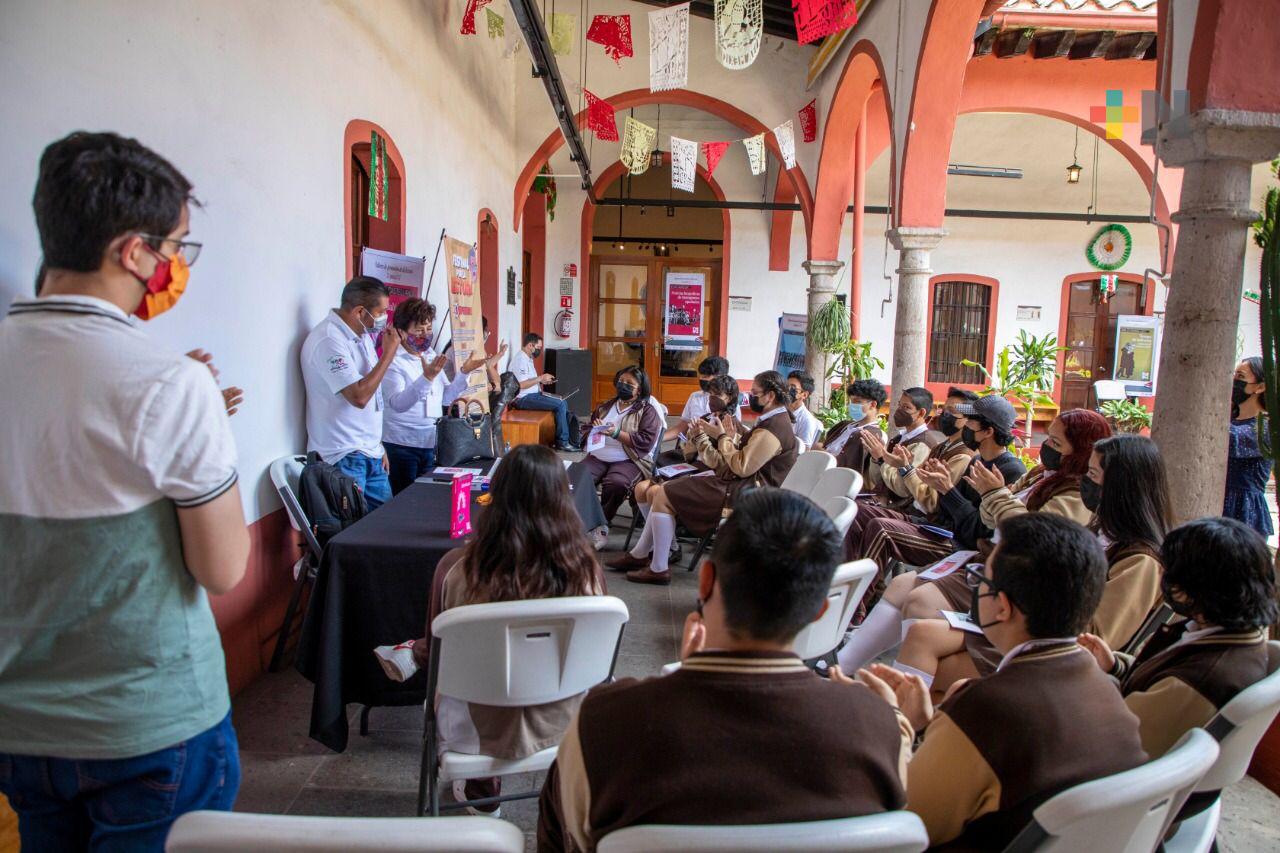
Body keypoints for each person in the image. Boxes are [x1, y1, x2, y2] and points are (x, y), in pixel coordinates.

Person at [0, 131, 250, 848]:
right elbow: (224, 567)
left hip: (20, 722)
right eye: (177, 247)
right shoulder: (170, 381)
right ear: (134, 252)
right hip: (147, 720)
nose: (176, 266)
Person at [538, 488, 912, 851]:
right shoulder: (876, 728)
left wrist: (680, 681)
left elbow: (568, 835)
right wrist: (900, 721)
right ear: (819, 610)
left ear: (705, 581)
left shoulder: (606, 721)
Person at [841, 513, 1147, 851]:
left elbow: (906, 818)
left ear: (1001, 606)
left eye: (980, 581)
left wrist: (899, 725)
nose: (975, 589)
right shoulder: (1107, 687)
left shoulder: (988, 707)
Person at [375, 445, 603, 816]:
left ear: (494, 497)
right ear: (563, 498)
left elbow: (438, 654)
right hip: (566, 713)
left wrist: (418, 652)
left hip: (477, 723)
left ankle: (484, 789)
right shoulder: (587, 570)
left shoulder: (456, 567)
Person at [891, 432, 1170, 695]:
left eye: (1093, 474)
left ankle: (914, 723)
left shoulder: (1140, 560)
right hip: (1028, 621)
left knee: (934, 662)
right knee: (920, 633)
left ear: (1121, 488)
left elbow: (1099, 636)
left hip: (1048, 646)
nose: (1085, 480)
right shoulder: (1102, 530)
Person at [1081, 516, 1277, 762]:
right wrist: (1116, 667)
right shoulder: (1226, 632)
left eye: (1171, 572)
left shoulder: (1199, 680)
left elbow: (1117, 738)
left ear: (1195, 588)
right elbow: (1157, 681)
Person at [609, 371, 800, 585]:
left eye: (754, 393)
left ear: (770, 396)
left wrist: (721, 437)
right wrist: (703, 437)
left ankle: (658, 567)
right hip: (734, 481)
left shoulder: (774, 428)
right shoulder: (771, 422)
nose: (751, 397)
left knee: (663, 493)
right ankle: (643, 556)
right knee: (659, 490)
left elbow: (741, 466)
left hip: (743, 492)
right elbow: (727, 460)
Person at [855, 395, 1026, 581]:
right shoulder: (977, 460)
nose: (965, 425)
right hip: (938, 527)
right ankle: (844, 578)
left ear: (988, 432)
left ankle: (858, 601)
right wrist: (939, 486)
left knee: (881, 529)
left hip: (958, 544)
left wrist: (948, 490)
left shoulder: (1010, 470)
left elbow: (978, 531)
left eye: (970, 422)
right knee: (859, 511)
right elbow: (941, 509)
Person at [300, 275, 399, 510]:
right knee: (353, 535)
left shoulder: (361, 336)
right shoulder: (328, 340)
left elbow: (373, 392)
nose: (384, 319)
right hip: (344, 454)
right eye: (380, 312)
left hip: (370, 452)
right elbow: (359, 396)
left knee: (384, 529)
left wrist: (377, 444)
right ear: (359, 312)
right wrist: (388, 355)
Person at [382, 298, 486, 494]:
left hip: (430, 442)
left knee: (426, 498)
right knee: (404, 501)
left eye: (429, 329)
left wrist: (464, 373)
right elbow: (398, 404)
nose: (425, 335)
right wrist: (426, 378)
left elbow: (446, 398)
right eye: (419, 330)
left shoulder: (430, 355)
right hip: (401, 444)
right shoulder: (393, 362)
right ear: (401, 332)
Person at [581, 365, 662, 523]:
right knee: (578, 479)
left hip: (629, 459)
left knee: (616, 484)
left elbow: (646, 441)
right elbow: (586, 429)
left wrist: (616, 433)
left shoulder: (647, 411)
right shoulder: (605, 407)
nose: (623, 385)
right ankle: (583, 519)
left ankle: (601, 524)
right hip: (599, 455)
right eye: (620, 381)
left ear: (639, 390)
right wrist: (594, 429)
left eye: (629, 384)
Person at [860, 387, 945, 511]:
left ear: (921, 413)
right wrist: (876, 457)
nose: (899, 411)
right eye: (900, 406)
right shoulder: (900, 438)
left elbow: (903, 489)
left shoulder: (923, 444)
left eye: (906, 408)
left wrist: (882, 459)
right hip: (881, 501)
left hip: (899, 508)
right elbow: (878, 479)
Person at [656, 355, 739, 466]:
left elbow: (730, 440)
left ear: (721, 378)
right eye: (701, 376)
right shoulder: (695, 397)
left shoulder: (730, 404)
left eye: (707, 376)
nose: (703, 379)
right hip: (691, 451)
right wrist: (657, 439)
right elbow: (682, 428)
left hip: (715, 458)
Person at [1225, 357, 1273, 537]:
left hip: (1245, 512)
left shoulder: (1265, 427)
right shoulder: (1229, 420)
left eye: (1240, 376)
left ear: (1260, 387)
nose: (1234, 381)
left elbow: (1229, 440)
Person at [510, 332, 578, 451]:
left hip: (533, 395)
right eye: (538, 348)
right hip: (523, 399)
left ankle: (566, 438)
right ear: (530, 345)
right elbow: (520, 385)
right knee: (560, 404)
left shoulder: (528, 359)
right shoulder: (520, 360)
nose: (539, 351)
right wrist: (541, 378)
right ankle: (563, 442)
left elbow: (530, 380)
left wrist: (542, 382)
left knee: (562, 401)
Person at [819, 378, 888, 476]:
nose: (852, 406)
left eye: (857, 401)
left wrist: (822, 453)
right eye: (851, 401)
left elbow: (849, 464)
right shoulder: (844, 425)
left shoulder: (873, 435)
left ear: (872, 404)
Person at [786, 369, 823, 450]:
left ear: (804, 395)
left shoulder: (806, 420)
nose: (787, 390)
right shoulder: (779, 410)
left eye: (792, 387)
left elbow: (804, 452)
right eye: (786, 386)